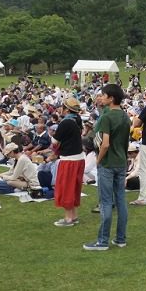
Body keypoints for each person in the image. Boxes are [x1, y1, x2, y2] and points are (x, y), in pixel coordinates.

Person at [84, 83, 129, 251]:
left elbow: (105, 144)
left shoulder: (107, 117)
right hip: (121, 162)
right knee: (121, 201)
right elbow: (125, 142)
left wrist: (98, 161)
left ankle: (102, 241)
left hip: (108, 163)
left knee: (105, 202)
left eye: (103, 95)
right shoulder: (125, 116)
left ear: (111, 98)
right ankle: (120, 238)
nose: (100, 97)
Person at [51, 97, 85, 227]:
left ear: (66, 109)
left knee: (66, 188)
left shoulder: (65, 123)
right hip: (79, 157)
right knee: (74, 187)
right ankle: (74, 215)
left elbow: (54, 141)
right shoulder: (77, 119)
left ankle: (68, 218)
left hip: (69, 159)